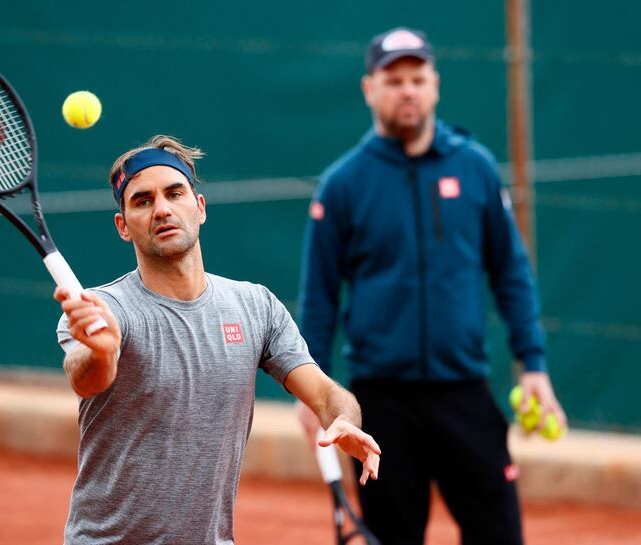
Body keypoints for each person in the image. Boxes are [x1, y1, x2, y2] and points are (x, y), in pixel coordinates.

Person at [295, 27, 567, 545]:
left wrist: (533, 365)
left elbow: (511, 272)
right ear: (368, 88)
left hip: (465, 395)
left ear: (435, 85)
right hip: (381, 406)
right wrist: (314, 392)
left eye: (417, 78)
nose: (407, 90)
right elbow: (320, 297)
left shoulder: (477, 169)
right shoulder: (343, 184)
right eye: (393, 79)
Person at [54, 135, 381, 545]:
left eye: (175, 193)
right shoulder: (104, 310)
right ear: (123, 226)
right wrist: (102, 352)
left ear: (200, 207)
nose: (162, 209)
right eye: (142, 201)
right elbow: (85, 378)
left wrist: (345, 419)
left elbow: (324, 393)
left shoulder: (255, 306)